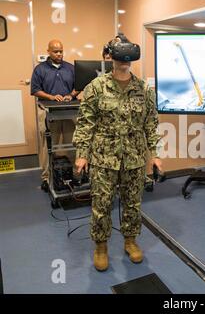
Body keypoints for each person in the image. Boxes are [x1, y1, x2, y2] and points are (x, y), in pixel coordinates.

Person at [73, 35, 162, 272]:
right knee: (101, 204)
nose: (124, 64)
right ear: (110, 58)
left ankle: (130, 241)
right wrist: (82, 154)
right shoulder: (96, 87)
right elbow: (85, 123)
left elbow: (151, 124)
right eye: (119, 59)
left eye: (128, 60)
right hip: (103, 157)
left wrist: (154, 154)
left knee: (133, 203)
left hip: (133, 157)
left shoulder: (143, 89)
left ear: (132, 60)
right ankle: (101, 246)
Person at [31, 39, 79, 192]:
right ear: (48, 51)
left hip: (69, 112)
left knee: (73, 143)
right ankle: (47, 178)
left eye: (61, 51)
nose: (59, 54)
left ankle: (75, 175)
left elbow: (78, 86)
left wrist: (71, 95)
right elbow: (35, 90)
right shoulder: (40, 69)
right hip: (48, 112)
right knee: (47, 146)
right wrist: (51, 97)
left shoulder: (71, 68)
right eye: (55, 51)